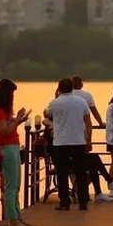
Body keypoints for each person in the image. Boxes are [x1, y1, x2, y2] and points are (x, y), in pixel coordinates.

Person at [0, 78, 32, 226]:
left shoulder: (2, 110)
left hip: (13, 146)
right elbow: (5, 131)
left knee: (16, 184)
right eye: (11, 94)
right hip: (7, 147)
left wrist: (16, 119)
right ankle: (12, 219)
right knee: (11, 185)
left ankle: (18, 216)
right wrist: (18, 120)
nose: (13, 97)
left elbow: (8, 125)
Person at [45, 77, 93, 210]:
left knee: (62, 172)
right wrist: (88, 140)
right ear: (72, 87)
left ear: (59, 88)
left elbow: (46, 113)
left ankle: (64, 202)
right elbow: (88, 123)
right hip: (78, 141)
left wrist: (56, 97)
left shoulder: (55, 103)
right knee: (81, 172)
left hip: (60, 143)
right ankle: (83, 201)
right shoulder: (81, 101)